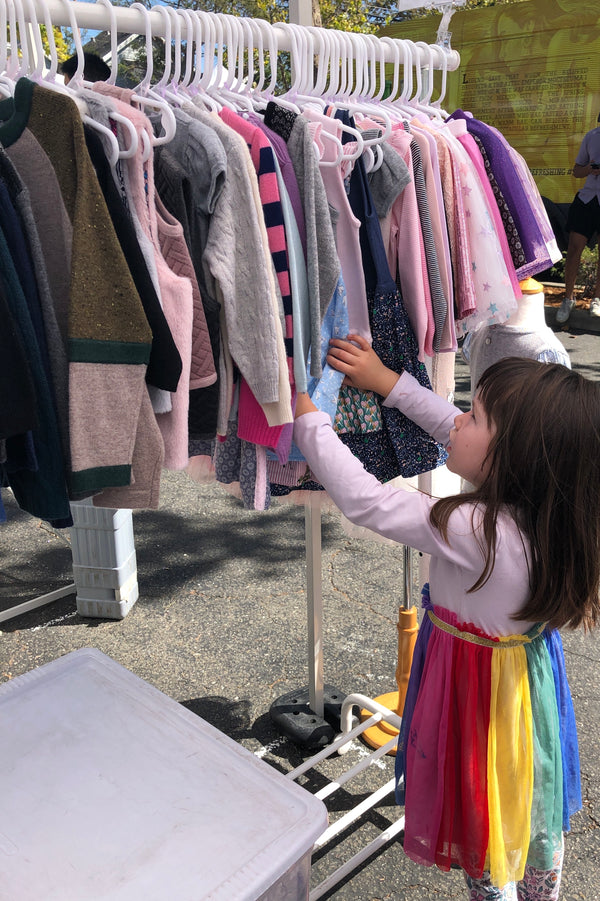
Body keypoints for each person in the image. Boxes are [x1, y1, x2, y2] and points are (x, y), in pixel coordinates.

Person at [293, 334, 600, 900]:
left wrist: (311, 423)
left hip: (473, 698)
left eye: (475, 417)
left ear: (515, 458)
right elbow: (452, 426)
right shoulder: (558, 519)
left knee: (482, 816)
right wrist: (390, 384)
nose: (458, 421)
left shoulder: (473, 530)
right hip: (527, 693)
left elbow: (366, 501)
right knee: (530, 799)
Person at [556, 112, 600, 323]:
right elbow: (576, 171)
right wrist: (590, 169)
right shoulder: (591, 136)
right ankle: (568, 298)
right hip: (586, 200)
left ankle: (597, 300)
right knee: (574, 249)